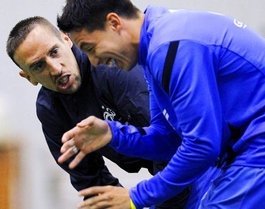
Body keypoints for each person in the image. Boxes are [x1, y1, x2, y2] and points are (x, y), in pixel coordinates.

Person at [57, 0, 265, 209]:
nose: (94, 62)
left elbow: (201, 146)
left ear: (114, 23)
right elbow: (170, 139)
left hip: (255, 148)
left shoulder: (170, 45)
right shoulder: (154, 46)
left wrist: (136, 197)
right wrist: (112, 134)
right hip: (240, 151)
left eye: (90, 48)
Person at [6, 16, 188, 209]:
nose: (56, 68)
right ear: (29, 77)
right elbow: (92, 184)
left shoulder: (110, 64)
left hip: (204, 162)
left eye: (54, 52)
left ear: (66, 39)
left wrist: (140, 199)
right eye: (38, 66)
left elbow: (173, 144)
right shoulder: (50, 109)